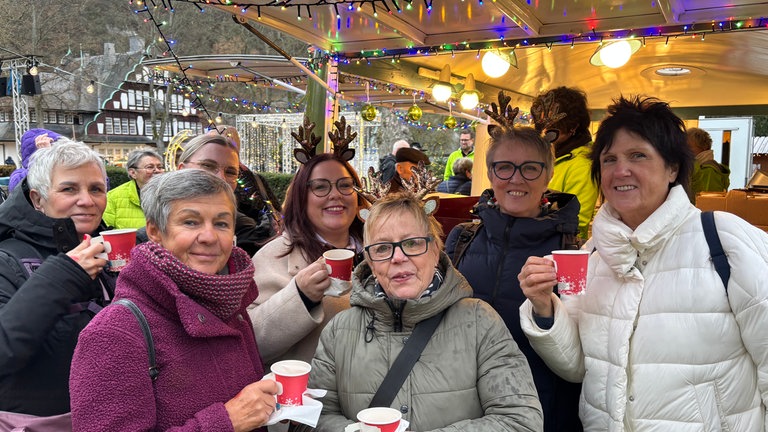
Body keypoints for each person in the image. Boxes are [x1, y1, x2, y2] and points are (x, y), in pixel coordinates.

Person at [518, 95, 768, 430]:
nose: (621, 170)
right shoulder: (591, 255)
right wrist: (543, 307)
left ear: (673, 168)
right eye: (609, 160)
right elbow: (578, 366)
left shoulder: (725, 240)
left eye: (638, 155)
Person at [310, 193, 543, 431]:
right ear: (370, 261)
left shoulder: (480, 322)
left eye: (412, 243)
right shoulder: (339, 331)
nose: (398, 257)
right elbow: (312, 419)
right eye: (382, 248)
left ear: (434, 250)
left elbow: (521, 421)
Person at [70, 169, 280, 431]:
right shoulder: (115, 332)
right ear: (155, 231)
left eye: (221, 223)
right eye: (190, 222)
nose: (209, 236)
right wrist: (224, 422)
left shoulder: (229, 301)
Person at [444, 115, 582, 431]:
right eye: (504, 167)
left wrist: (546, 310)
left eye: (530, 168)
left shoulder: (572, 253)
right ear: (491, 173)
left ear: (548, 174)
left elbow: (578, 351)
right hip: (466, 410)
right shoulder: (462, 239)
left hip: (543, 411)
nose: (516, 179)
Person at [0, 140, 113, 418]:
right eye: (69, 189)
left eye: (96, 189)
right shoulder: (6, 259)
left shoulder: (109, 249)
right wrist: (66, 273)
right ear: (38, 199)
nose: (87, 200)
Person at [249, 118, 366, 365]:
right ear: (302, 197)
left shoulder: (382, 249)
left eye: (345, 185)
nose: (335, 195)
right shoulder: (275, 257)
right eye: (321, 187)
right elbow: (252, 342)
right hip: (311, 397)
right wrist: (301, 296)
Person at [531, 87, 598, 240]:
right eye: (541, 123)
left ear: (573, 127)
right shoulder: (547, 156)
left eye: (552, 126)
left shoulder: (582, 165)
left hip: (556, 249)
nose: (545, 130)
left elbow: (576, 222)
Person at [102, 147, 164, 229]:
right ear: (133, 173)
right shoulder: (113, 197)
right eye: (150, 167)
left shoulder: (171, 194)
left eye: (160, 167)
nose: (157, 171)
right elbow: (105, 231)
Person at [687, 126, 730, 201]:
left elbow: (708, 202)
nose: (685, 151)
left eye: (689, 147)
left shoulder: (708, 170)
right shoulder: (698, 167)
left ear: (703, 146)